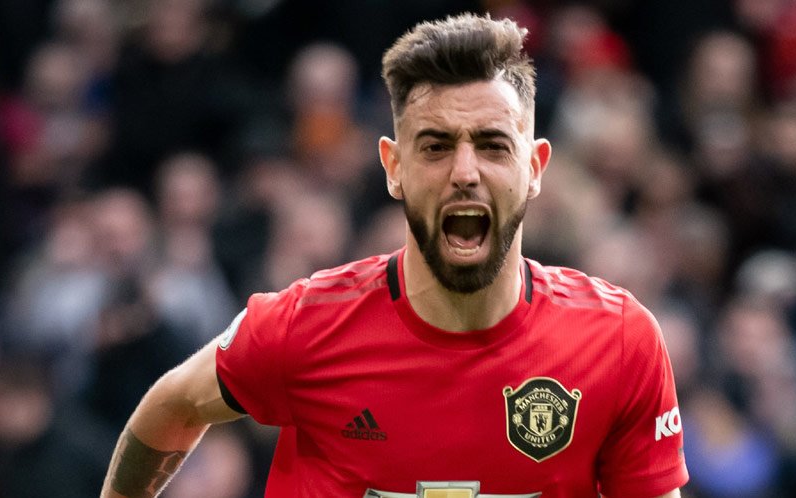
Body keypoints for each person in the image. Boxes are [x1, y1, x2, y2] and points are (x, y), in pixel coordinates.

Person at [100, 13, 688, 498]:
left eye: (492, 145)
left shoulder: (618, 341)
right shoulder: (303, 327)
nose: (465, 172)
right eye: (435, 146)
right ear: (394, 167)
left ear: (534, 168)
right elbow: (174, 406)